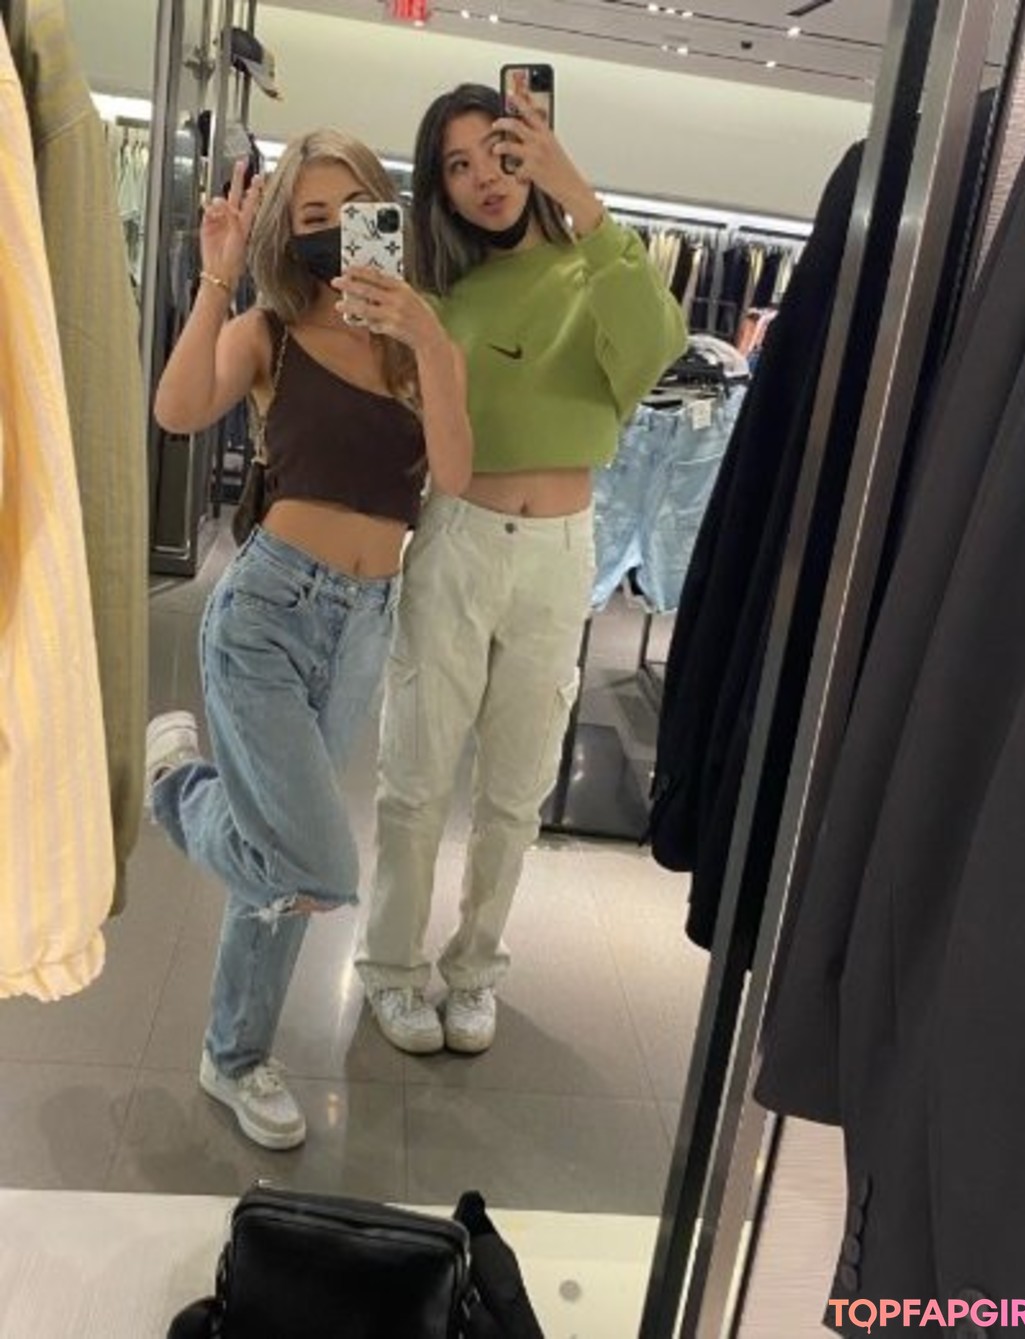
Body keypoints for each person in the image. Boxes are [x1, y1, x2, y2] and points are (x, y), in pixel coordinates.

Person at [146, 129, 472, 1149]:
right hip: (266, 618)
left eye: (356, 212)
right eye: (314, 219)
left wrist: (432, 342)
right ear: (291, 233)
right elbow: (177, 408)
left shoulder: (413, 347)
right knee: (317, 868)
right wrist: (218, 276)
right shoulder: (272, 330)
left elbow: (456, 474)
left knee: (280, 863)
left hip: (366, 625)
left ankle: (235, 1054)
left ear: (389, 219)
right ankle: (179, 790)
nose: (335, 236)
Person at [350, 84, 687, 1055]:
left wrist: (578, 193)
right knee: (416, 775)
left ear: (532, 154)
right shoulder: (443, 296)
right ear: (439, 191)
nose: (482, 181)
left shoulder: (597, 266)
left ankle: (474, 968)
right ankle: (391, 967)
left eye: (498, 155)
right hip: (457, 535)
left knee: (514, 787)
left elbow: (658, 346)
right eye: (455, 167)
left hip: (559, 551)